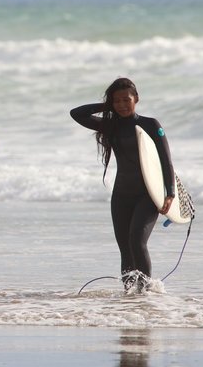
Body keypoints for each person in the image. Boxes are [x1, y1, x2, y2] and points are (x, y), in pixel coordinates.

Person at [70, 77, 174, 293]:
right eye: (116, 101)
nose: (122, 105)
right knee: (125, 248)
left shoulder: (151, 125)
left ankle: (144, 292)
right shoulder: (110, 126)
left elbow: (166, 162)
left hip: (148, 194)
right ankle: (129, 296)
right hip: (122, 195)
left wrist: (170, 194)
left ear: (136, 99)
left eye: (126, 100)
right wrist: (106, 106)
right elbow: (76, 113)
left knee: (137, 240)